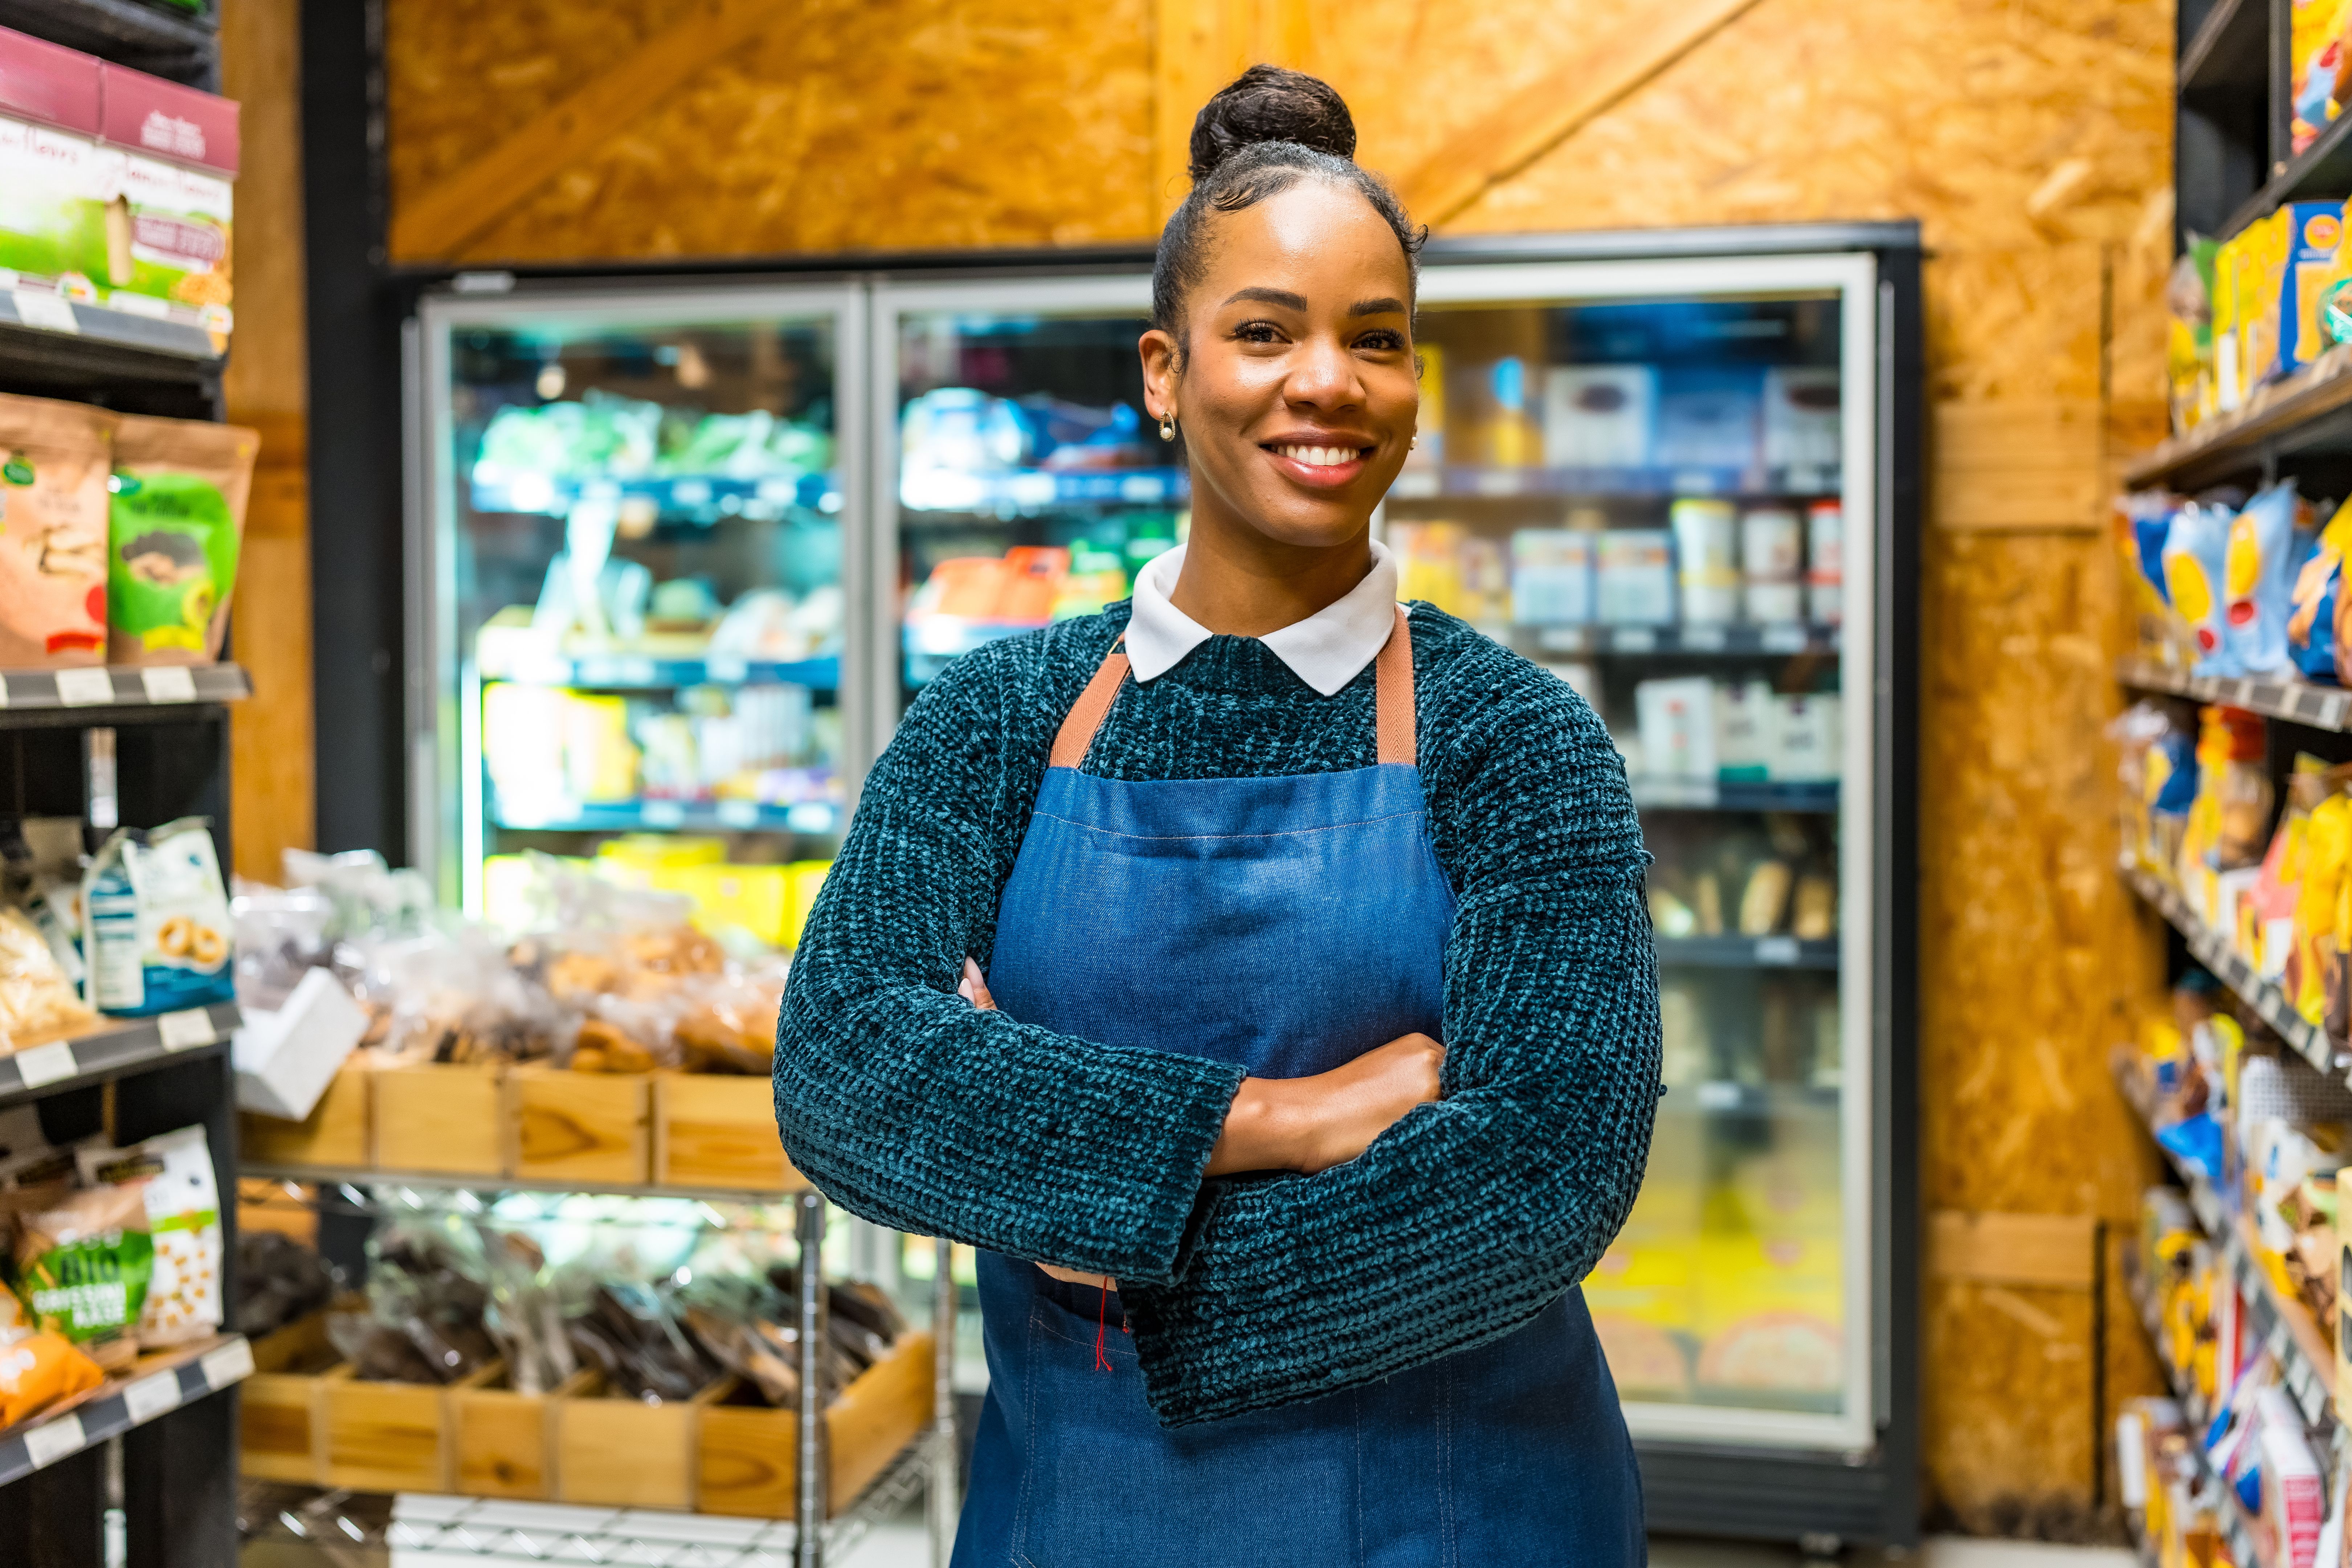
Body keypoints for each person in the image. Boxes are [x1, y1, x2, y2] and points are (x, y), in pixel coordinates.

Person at [775, 64, 1659, 1565]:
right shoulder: (998, 719)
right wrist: (1290, 1122)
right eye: (1265, 332)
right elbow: (849, 1067)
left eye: (1376, 342)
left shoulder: (1516, 740)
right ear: (1166, 372)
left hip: (1458, 1507)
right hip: (1084, 1504)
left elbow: (1546, 1166)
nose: (1329, 382)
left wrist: (1095, 1244)